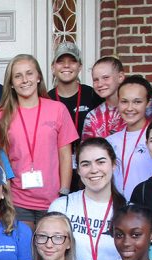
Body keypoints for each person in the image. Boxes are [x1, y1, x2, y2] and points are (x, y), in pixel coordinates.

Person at [0, 54, 78, 226]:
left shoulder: (58, 109)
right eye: (18, 76)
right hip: (18, 201)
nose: (24, 80)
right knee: (25, 252)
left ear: (38, 77)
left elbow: (66, 155)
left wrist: (64, 193)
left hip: (53, 200)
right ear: (11, 84)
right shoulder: (1, 116)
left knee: (50, 250)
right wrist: (5, 199)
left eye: (29, 73)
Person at [49, 137, 126, 260]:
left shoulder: (128, 211)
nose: (94, 169)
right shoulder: (61, 207)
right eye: (86, 164)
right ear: (78, 170)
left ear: (114, 165)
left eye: (101, 162)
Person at [48, 41, 104, 192]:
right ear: (53, 67)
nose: (66, 65)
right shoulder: (46, 99)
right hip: (56, 171)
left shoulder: (93, 95)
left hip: (90, 170)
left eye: (72, 61)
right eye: (61, 61)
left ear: (79, 67)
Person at [106, 76, 152, 201]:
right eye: (124, 101)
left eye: (137, 102)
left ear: (148, 103)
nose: (130, 108)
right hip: (117, 210)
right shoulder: (110, 141)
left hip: (148, 210)